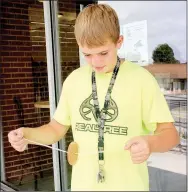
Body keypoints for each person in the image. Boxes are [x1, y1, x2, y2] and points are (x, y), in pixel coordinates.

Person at [8, 3, 179, 191]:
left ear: (119, 42)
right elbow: (55, 129)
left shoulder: (142, 80)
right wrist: (26, 134)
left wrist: (150, 143)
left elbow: (170, 135)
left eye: (103, 53)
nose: (96, 62)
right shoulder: (74, 80)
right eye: (87, 55)